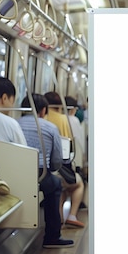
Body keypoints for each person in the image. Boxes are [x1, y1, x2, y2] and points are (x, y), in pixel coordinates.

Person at [18, 94, 74, 249]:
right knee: (55, 184)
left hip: (16, 172)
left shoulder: (15, 124)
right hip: (40, 173)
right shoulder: (50, 127)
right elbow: (56, 160)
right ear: (43, 111)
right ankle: (52, 236)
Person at [44, 91, 85, 227]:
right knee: (75, 183)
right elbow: (66, 147)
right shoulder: (63, 119)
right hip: (55, 165)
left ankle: (60, 217)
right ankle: (71, 215)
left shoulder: (40, 118)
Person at [65, 95, 86, 170]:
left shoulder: (61, 118)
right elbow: (79, 139)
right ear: (72, 109)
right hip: (74, 153)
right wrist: (83, 153)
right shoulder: (74, 120)